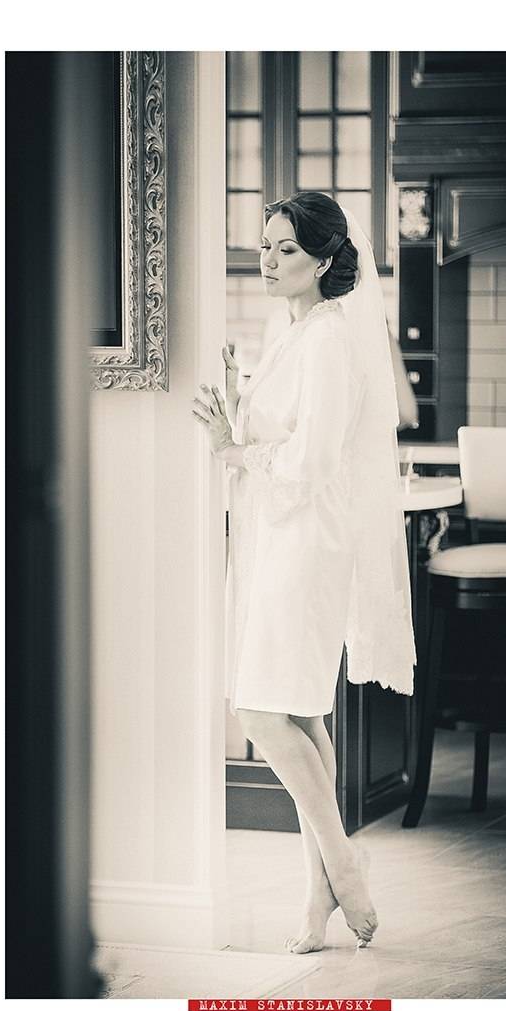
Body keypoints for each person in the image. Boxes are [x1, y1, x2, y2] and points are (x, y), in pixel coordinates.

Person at [191, 192, 415, 953]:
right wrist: (237, 403)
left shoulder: (327, 340)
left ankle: (344, 866)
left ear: (323, 260)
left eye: (286, 248)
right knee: (301, 713)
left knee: (262, 712)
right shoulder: (293, 333)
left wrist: (231, 451)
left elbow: (311, 463)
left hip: (307, 541)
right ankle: (320, 893)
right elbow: (280, 434)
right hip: (276, 536)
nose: (268, 259)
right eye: (265, 245)